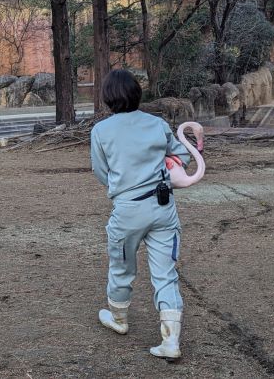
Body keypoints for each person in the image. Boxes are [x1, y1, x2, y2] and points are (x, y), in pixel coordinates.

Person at [90, 69, 190, 360]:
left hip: (127, 209)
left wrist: (122, 185)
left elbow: (101, 172)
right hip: (163, 207)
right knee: (165, 273)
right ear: (137, 93)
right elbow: (181, 156)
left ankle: (119, 319)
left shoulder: (101, 131)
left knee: (122, 266)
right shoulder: (157, 124)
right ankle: (170, 342)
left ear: (108, 98)